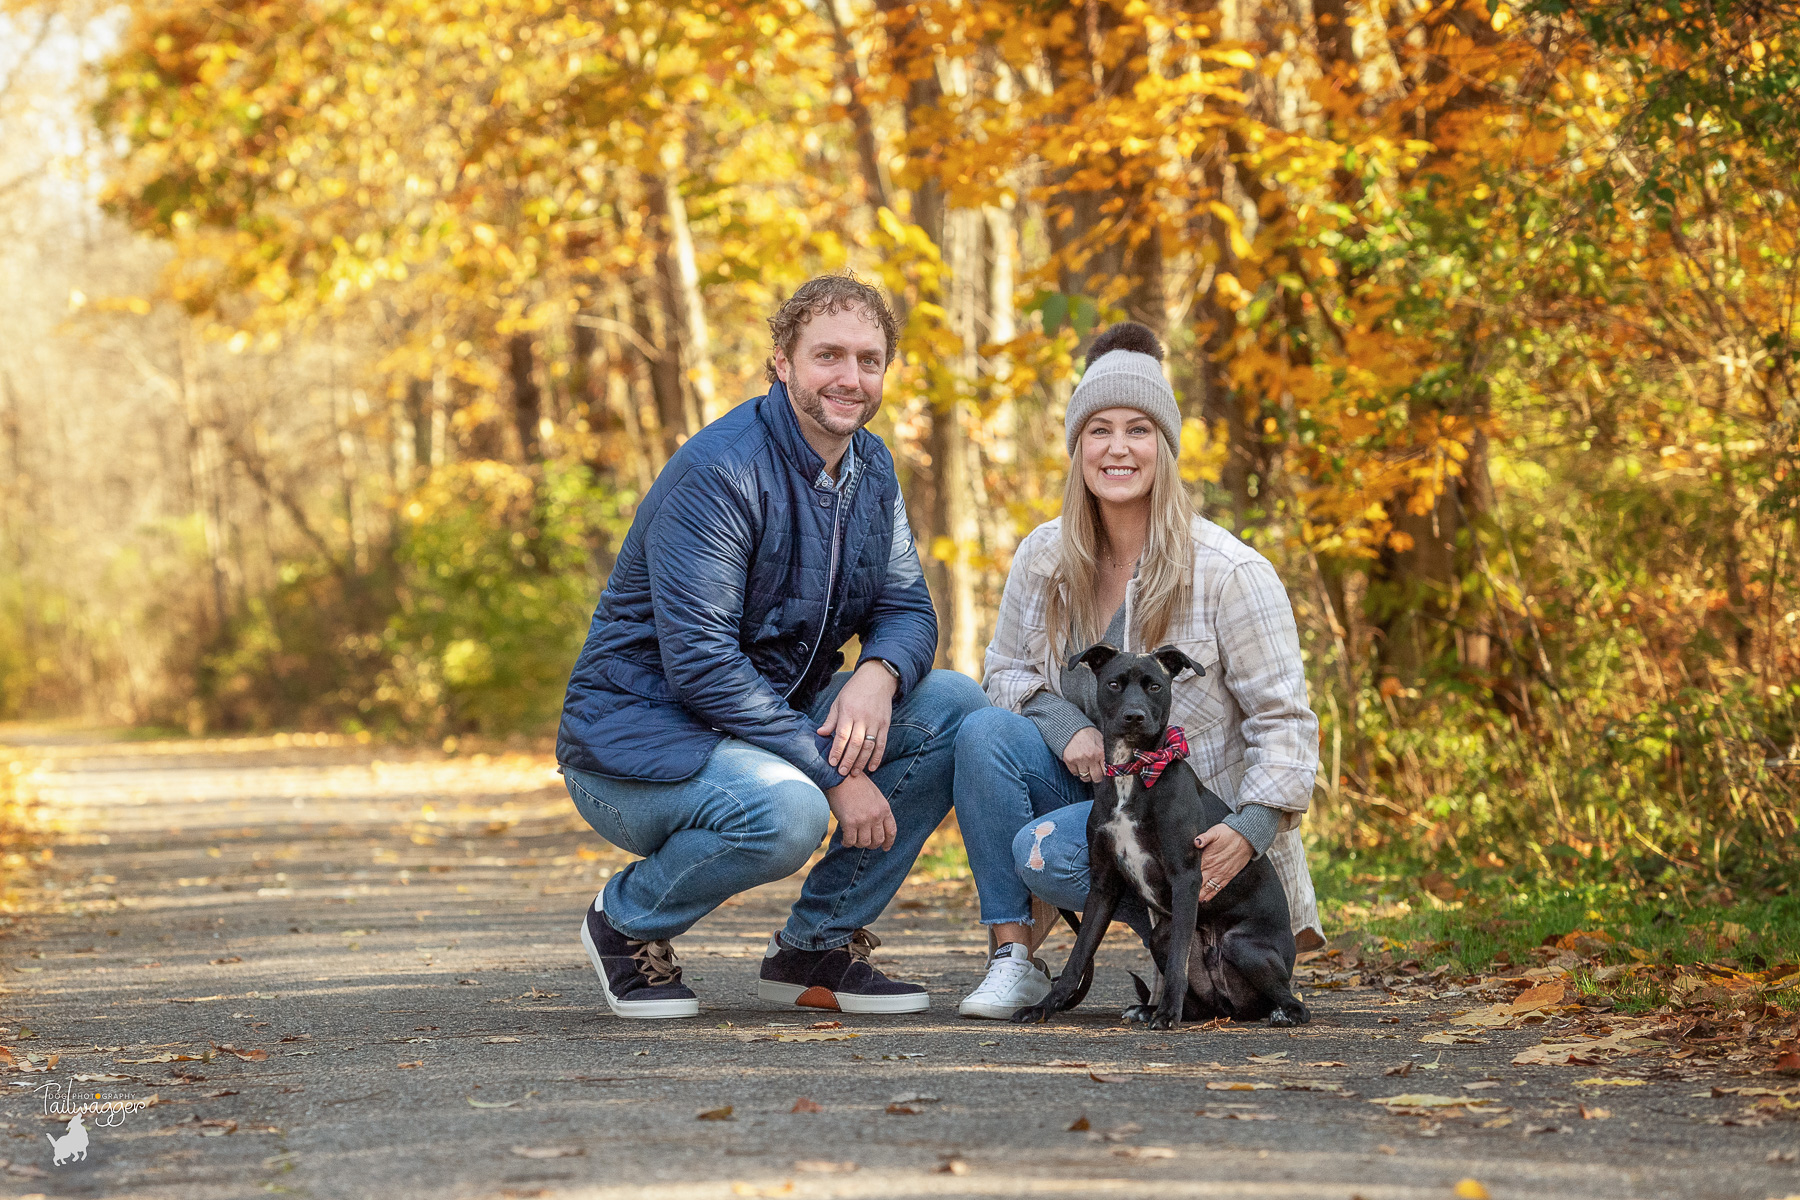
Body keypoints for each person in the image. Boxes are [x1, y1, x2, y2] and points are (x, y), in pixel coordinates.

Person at [557, 274, 988, 1020]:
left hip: (760, 730)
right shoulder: (720, 471)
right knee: (789, 813)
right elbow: (701, 665)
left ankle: (815, 947)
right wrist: (832, 773)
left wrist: (878, 674)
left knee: (952, 706)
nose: (850, 379)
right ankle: (626, 923)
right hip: (634, 746)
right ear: (782, 363)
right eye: (828, 356)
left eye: (869, 360)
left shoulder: (872, 470)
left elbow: (908, 606)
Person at [950, 321, 1325, 1019]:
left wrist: (1250, 828)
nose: (1118, 448)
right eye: (1098, 430)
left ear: (1166, 447)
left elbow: (1288, 725)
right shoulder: (1044, 557)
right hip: (1096, 786)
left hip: (1192, 820)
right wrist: (1067, 728)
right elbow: (1003, 671)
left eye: (1138, 429)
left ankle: (1194, 961)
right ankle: (1014, 959)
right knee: (980, 732)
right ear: (1076, 448)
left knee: (1049, 853)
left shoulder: (1232, 571)